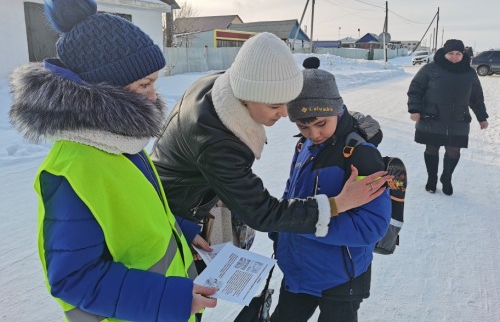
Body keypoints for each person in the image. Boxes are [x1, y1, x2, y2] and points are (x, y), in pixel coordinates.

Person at [9, 0, 216, 322]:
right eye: (143, 85)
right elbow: (73, 280)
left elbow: (133, 213)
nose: (153, 97)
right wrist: (170, 298)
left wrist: (182, 233)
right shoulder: (72, 170)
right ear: (103, 90)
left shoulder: (120, 142)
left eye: (154, 84)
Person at [150, 32, 391, 245]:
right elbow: (262, 214)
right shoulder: (217, 141)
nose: (285, 114)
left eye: (287, 102)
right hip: (166, 217)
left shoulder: (219, 85)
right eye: (275, 105)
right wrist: (338, 204)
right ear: (246, 96)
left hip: (176, 207)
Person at [269, 68, 391, 322]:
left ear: (337, 110)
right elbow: (292, 189)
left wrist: (308, 224)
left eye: (321, 124)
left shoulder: (361, 155)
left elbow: (372, 225)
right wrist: (278, 227)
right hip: (297, 271)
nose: (314, 134)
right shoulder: (304, 145)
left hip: (340, 279)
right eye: (303, 126)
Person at [407, 39, 489, 195]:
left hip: (459, 119)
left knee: (454, 151)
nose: (454, 56)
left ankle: (446, 177)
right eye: (450, 53)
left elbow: (476, 97)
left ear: (463, 54)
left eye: (458, 53)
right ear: (444, 53)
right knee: (431, 148)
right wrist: (414, 109)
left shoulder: (469, 73)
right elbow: (416, 89)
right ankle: (432, 178)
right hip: (432, 117)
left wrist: (482, 117)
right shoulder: (430, 69)